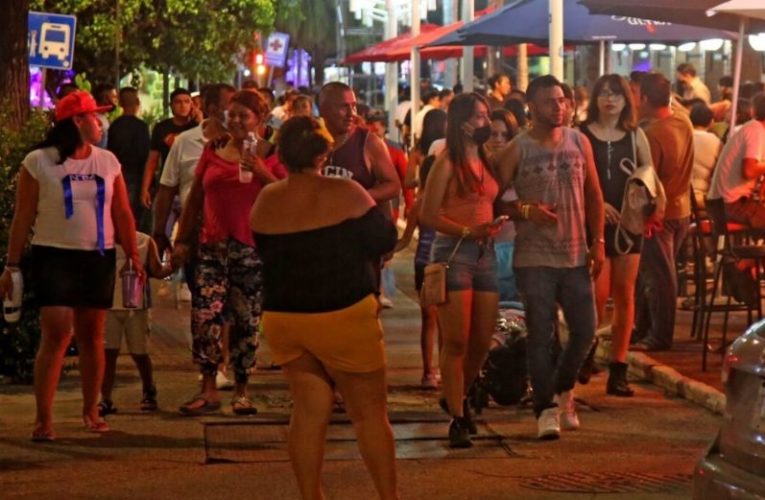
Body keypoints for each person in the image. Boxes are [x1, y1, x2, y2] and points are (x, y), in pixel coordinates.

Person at [251, 116, 399, 500]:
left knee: (308, 411)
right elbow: (382, 239)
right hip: (341, 313)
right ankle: (388, 496)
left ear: (281, 155)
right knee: (368, 415)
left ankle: (311, 495)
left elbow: (266, 251)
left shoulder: (267, 199)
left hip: (285, 318)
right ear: (324, 153)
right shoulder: (347, 192)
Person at [0, 90, 143, 440]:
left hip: (98, 255)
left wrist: (134, 256)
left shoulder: (108, 162)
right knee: (57, 332)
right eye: (95, 116)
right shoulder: (38, 162)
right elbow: (24, 214)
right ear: (77, 121)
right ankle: (44, 418)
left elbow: (121, 211)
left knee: (93, 335)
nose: (100, 123)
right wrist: (12, 264)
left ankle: (91, 410)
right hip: (54, 254)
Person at [495, 75, 605, 440]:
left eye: (562, 100)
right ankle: (545, 409)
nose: (558, 107)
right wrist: (526, 210)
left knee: (586, 330)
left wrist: (599, 241)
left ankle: (562, 388)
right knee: (540, 334)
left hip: (575, 254)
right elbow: (495, 201)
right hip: (534, 257)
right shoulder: (517, 148)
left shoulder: (579, 141)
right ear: (532, 106)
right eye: (549, 101)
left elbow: (594, 194)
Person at [172, 89, 286, 416]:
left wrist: (261, 170)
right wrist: (182, 239)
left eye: (243, 116)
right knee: (205, 314)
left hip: (251, 248)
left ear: (260, 120)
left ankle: (242, 389)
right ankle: (208, 388)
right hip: (211, 244)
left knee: (245, 320)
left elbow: (286, 195)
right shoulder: (215, 149)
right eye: (231, 114)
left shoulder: (274, 154)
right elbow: (195, 197)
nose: (235, 121)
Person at [420, 92, 505, 448]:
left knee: (481, 341)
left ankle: (461, 395)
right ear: (462, 122)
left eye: (487, 115)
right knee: (455, 340)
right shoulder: (447, 162)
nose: (486, 122)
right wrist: (468, 230)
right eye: (480, 117)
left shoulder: (487, 160)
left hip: (485, 253)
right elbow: (428, 214)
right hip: (454, 253)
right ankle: (457, 415)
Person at [579, 74, 653, 397]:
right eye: (604, 94)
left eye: (616, 95)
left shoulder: (635, 135)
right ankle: (586, 351)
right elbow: (574, 177)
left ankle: (618, 368)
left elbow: (648, 176)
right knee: (596, 293)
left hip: (628, 224)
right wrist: (597, 204)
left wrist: (639, 205)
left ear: (626, 100)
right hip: (592, 225)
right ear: (595, 99)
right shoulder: (580, 135)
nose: (610, 100)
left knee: (625, 293)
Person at [632, 73, 694, 352]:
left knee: (659, 278)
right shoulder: (683, 120)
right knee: (656, 274)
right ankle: (643, 328)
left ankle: (659, 336)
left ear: (644, 98)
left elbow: (648, 182)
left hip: (660, 215)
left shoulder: (652, 135)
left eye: (635, 95)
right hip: (682, 210)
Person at [98, 232, 174, 416]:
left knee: (140, 353)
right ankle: (105, 399)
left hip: (137, 306)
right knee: (108, 355)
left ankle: (149, 389)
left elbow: (157, 271)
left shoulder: (144, 242)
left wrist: (175, 263)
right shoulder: (100, 239)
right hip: (108, 305)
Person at [318, 82, 400, 214]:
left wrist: (357, 197)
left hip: (358, 228)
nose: (352, 114)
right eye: (344, 107)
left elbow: (394, 186)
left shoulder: (369, 142)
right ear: (323, 109)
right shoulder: (311, 141)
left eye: (354, 106)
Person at [707, 93, 765, 228]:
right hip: (729, 204)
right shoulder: (755, 130)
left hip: (726, 201)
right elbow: (749, 171)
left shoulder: (756, 129)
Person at [139, 88, 197, 209]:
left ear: (192, 105)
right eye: (178, 102)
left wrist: (200, 119)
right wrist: (145, 189)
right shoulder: (161, 128)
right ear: (171, 105)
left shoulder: (197, 127)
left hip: (191, 187)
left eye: (187, 102)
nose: (183, 105)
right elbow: (152, 160)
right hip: (167, 185)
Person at [487, 109, 521, 304]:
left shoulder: (522, 171)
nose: (499, 140)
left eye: (505, 135)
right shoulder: (476, 170)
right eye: (493, 134)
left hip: (517, 251)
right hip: (484, 253)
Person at [107, 87, 151, 232]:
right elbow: (145, 155)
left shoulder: (115, 126)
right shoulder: (141, 127)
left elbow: (110, 152)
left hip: (117, 174)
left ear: (120, 103)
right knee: (134, 216)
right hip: (137, 176)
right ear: (137, 102)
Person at [404, 109, 448, 190]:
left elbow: (408, 182)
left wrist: (422, 181)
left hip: (424, 195)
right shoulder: (447, 147)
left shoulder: (417, 150)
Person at [690, 103, 723, 208]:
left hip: (681, 195)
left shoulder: (683, 136)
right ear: (711, 122)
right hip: (703, 196)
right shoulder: (716, 142)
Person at [92, 83, 118, 148]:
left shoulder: (103, 116)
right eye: (114, 96)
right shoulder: (94, 119)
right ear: (105, 98)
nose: (116, 100)